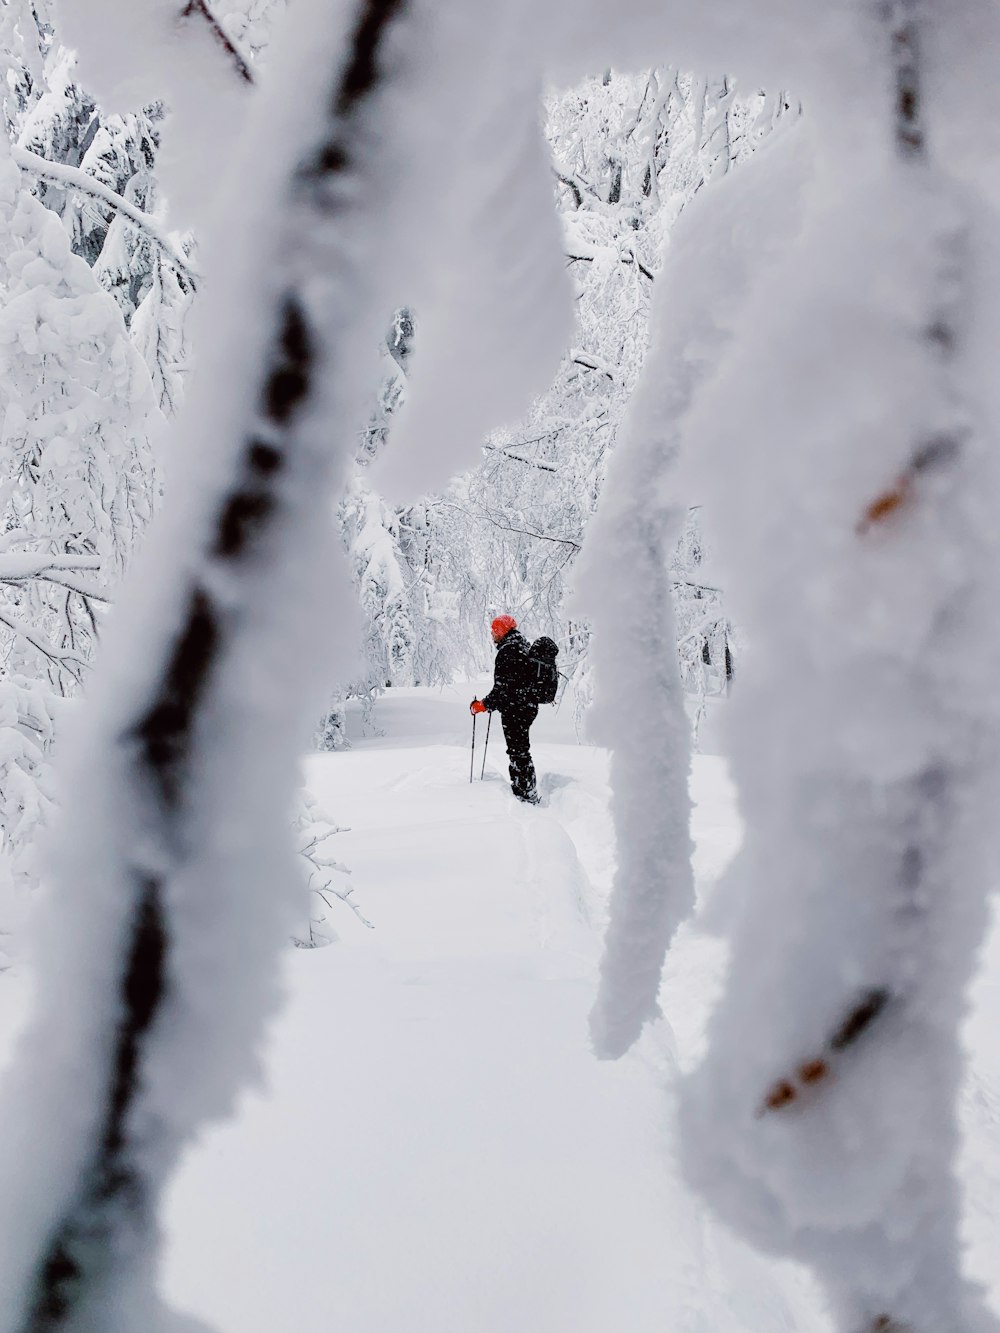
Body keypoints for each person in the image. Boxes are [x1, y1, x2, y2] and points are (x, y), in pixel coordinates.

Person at [470, 615, 539, 804]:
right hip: (526, 707)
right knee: (521, 749)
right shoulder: (523, 647)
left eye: (495, 630)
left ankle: (524, 793)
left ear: (502, 631)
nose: (492, 634)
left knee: (517, 751)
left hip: (516, 709)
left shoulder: (508, 652)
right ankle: (527, 789)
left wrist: (484, 705)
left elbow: (503, 689)